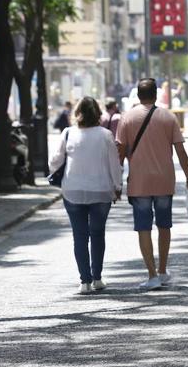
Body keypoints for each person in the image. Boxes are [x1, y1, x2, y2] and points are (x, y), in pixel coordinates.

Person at [116, 78, 188, 290]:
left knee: (143, 227)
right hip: (164, 180)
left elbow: (120, 153)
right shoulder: (168, 117)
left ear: (138, 94)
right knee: (164, 225)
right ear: (155, 94)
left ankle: (151, 274)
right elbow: (180, 151)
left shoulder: (127, 118)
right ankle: (162, 270)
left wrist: (116, 182)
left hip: (139, 182)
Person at [49, 97, 122, 294]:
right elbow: (114, 164)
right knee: (98, 234)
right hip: (100, 190)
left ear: (77, 113)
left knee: (79, 236)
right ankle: (97, 277)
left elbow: (54, 161)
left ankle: (84, 281)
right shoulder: (106, 135)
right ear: (98, 113)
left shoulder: (68, 133)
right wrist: (118, 186)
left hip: (73, 190)